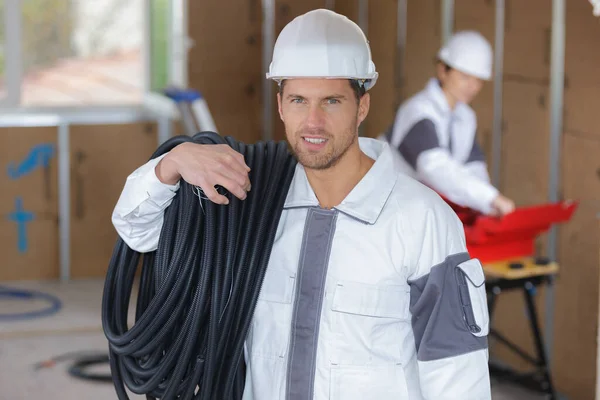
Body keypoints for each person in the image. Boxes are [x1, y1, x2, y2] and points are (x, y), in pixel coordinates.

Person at [112, 9, 491, 400]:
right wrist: (169, 166)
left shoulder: (423, 220)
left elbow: (457, 374)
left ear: (361, 106)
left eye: (331, 101)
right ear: (280, 106)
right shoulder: (246, 203)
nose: (313, 121)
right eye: (298, 100)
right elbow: (136, 230)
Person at [382, 30, 515, 217]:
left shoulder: (465, 117)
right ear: (443, 70)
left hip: (417, 209)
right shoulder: (419, 111)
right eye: (465, 77)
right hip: (388, 206)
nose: (473, 87)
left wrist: (486, 205)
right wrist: (489, 197)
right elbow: (434, 167)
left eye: (478, 80)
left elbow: (473, 167)